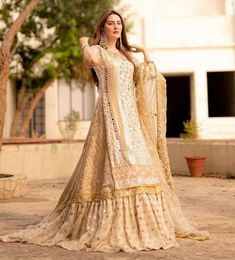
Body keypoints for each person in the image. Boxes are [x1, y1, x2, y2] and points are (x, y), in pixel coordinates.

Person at [0, 10, 209, 252]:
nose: (116, 27)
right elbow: (89, 59)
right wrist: (84, 43)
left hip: (132, 118)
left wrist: (145, 53)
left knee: (144, 169)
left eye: (118, 23)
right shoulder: (99, 52)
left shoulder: (126, 55)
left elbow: (145, 80)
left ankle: (146, 226)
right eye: (110, 23)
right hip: (110, 116)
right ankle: (112, 224)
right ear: (103, 28)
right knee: (113, 168)